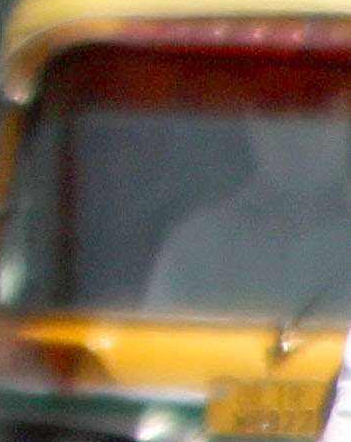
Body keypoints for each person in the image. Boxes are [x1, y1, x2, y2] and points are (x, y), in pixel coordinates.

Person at [144, 109, 351, 319]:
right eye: (275, 106)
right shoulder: (197, 245)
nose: (295, 125)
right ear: (250, 123)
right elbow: (157, 345)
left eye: (317, 102)